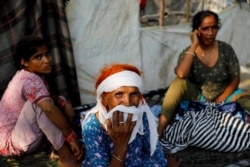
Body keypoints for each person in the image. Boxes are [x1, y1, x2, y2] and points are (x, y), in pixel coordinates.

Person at [158, 10, 250, 138]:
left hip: (226, 95)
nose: (211, 33)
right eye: (205, 28)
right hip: (199, 97)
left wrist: (220, 100)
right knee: (178, 83)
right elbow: (181, 74)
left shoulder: (226, 50)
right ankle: (159, 130)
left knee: (247, 103)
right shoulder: (188, 53)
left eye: (214, 27)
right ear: (196, 31)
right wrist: (194, 45)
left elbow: (235, 78)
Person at [0, 36, 83, 167]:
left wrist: (64, 103)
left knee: (54, 101)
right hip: (13, 143)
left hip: (20, 136)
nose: (47, 60)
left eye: (47, 54)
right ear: (25, 62)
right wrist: (71, 138)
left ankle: (59, 143)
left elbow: (51, 97)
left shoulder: (29, 75)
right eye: (38, 57)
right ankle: (65, 155)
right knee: (41, 106)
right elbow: (48, 108)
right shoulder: (30, 80)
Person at [81, 63, 182, 167]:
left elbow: (152, 148)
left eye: (134, 94)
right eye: (119, 94)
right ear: (105, 100)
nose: (128, 103)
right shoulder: (93, 126)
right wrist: (121, 146)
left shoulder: (140, 113)